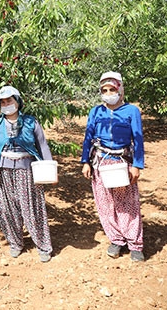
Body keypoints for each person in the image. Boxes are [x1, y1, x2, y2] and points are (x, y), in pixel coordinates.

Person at [0, 86, 53, 263]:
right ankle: (15, 242)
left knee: (32, 207)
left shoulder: (30, 122)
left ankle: (43, 245)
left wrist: (49, 167)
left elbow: (42, 145)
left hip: (26, 170)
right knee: (7, 208)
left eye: (9, 101)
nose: (6, 105)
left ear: (18, 102)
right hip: (3, 171)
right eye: (3, 102)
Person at [81, 71, 145, 262]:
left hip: (122, 161)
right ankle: (116, 239)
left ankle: (135, 243)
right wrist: (85, 162)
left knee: (128, 203)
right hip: (101, 161)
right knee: (106, 203)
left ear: (120, 89)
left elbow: (138, 139)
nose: (108, 93)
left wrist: (137, 165)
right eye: (104, 90)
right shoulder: (96, 111)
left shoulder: (131, 111)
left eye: (112, 89)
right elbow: (88, 137)